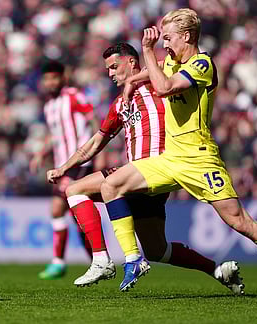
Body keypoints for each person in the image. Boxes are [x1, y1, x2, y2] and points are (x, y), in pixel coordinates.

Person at [99, 8, 257, 299]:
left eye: (168, 38)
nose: (164, 45)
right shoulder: (170, 60)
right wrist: (132, 80)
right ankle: (133, 260)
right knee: (111, 185)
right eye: (162, 39)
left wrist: (145, 50)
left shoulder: (202, 64)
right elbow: (154, 72)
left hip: (200, 159)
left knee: (240, 222)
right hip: (169, 159)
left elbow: (165, 86)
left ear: (187, 36)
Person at [46, 43, 244, 293]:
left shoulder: (159, 85)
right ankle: (218, 270)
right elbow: (97, 142)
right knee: (157, 250)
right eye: (107, 69)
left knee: (75, 190)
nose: (110, 74)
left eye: (114, 67)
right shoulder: (120, 103)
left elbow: (170, 67)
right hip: (137, 179)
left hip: (156, 170)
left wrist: (143, 69)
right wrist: (63, 167)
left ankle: (101, 260)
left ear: (131, 63)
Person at [31, 60, 99, 279]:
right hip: (63, 167)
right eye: (47, 78)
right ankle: (68, 262)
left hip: (80, 163)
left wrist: (101, 149)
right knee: (63, 212)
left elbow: (93, 118)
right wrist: (41, 153)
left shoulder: (73, 96)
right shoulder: (49, 106)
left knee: (66, 211)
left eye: (54, 77)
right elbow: (56, 135)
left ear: (63, 78)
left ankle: (91, 261)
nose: (50, 82)